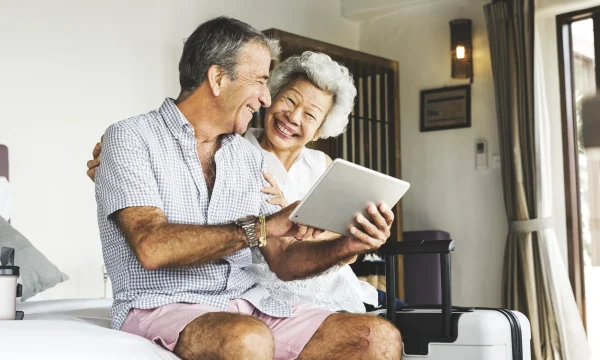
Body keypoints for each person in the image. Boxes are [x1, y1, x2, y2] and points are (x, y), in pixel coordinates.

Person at [93, 16, 401, 360]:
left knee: (377, 336)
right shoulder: (131, 138)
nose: (267, 98)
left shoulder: (247, 158)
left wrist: (349, 244)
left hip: (249, 303)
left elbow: (283, 260)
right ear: (218, 78)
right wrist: (262, 228)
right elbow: (152, 246)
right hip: (162, 304)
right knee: (248, 339)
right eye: (260, 81)